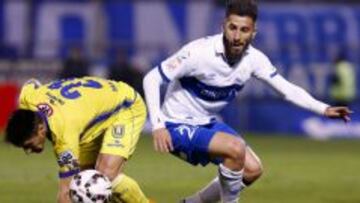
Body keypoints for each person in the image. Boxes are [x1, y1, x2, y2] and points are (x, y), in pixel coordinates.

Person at [142, 0, 352, 202]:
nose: (236, 36)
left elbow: (286, 90)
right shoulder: (198, 53)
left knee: (252, 169)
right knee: (236, 149)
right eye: (232, 28)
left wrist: (323, 108)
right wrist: (158, 125)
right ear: (223, 26)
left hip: (205, 121)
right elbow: (152, 78)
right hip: (175, 124)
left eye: (244, 30)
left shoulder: (254, 60)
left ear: (253, 33)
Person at [5, 77, 150, 203]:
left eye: (29, 145)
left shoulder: (64, 136)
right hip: (89, 120)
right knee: (83, 187)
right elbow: (31, 83)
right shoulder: (27, 98)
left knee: (103, 176)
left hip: (125, 106)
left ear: (41, 129)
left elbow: (65, 193)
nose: (29, 151)